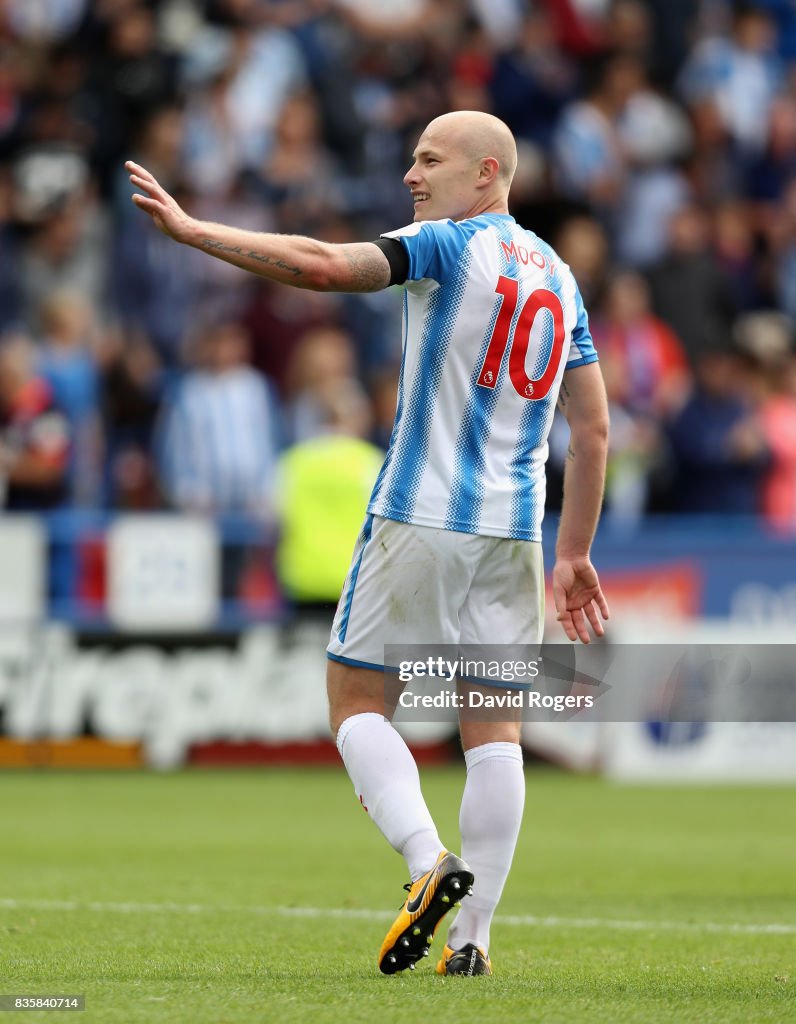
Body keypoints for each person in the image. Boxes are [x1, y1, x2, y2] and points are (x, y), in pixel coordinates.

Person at [126, 109, 610, 977]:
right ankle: (474, 943)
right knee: (494, 731)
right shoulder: (561, 276)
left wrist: (196, 231)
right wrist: (575, 552)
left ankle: (429, 864)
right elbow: (597, 428)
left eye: (429, 160)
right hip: (515, 532)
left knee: (355, 704)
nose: (410, 177)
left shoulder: (451, 246)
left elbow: (320, 266)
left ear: (487, 174)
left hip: (421, 515)